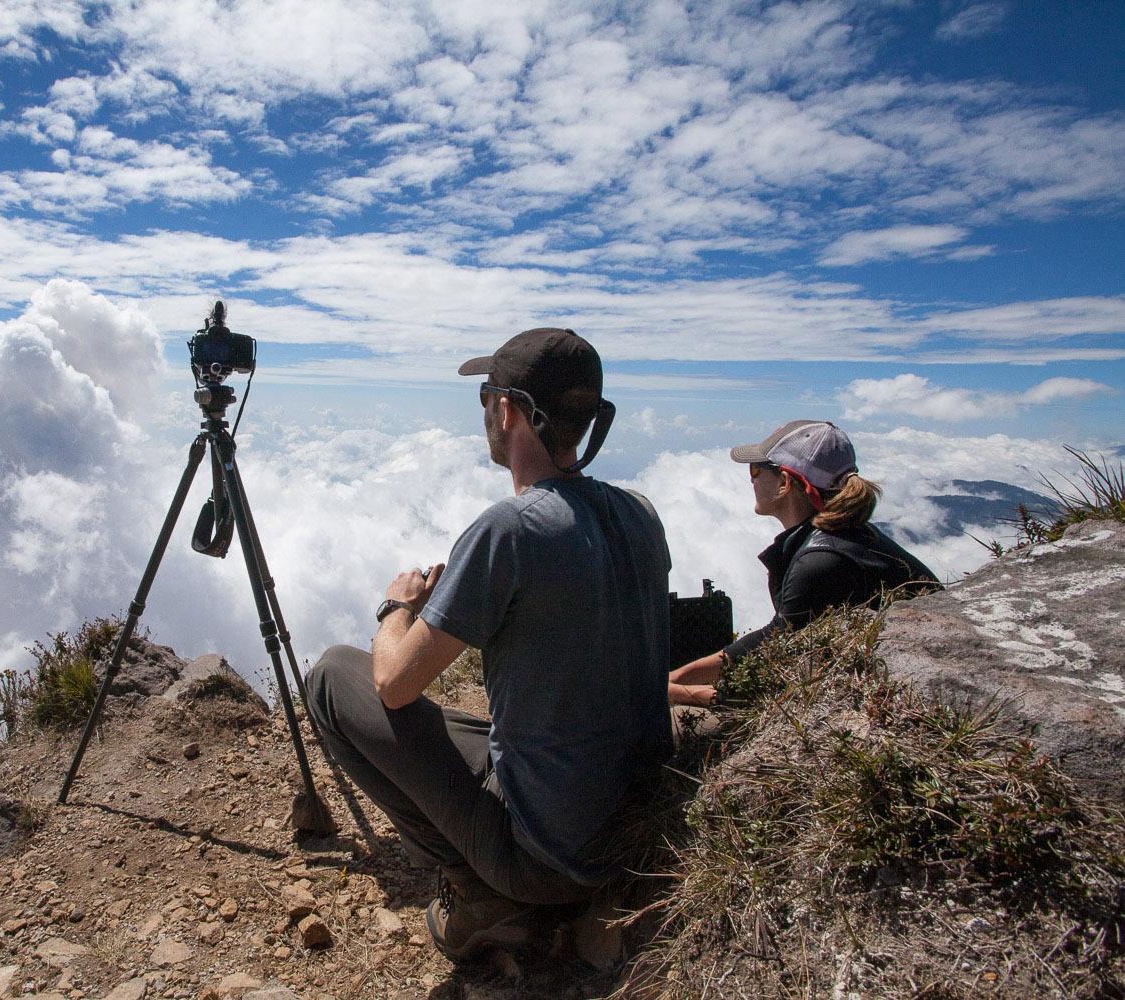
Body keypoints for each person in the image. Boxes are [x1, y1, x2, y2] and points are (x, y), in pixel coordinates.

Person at [305, 328, 672, 961]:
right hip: (634, 833)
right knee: (468, 724)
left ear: (508, 409)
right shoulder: (639, 513)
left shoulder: (511, 530)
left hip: (549, 857)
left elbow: (393, 683)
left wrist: (399, 606)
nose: (483, 413)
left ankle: (481, 896)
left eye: (485, 397)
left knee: (336, 676)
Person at [668, 420, 940, 707]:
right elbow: (778, 634)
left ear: (785, 483)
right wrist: (680, 676)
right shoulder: (845, 536)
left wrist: (671, 693)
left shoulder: (822, 564)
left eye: (756, 469)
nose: (751, 479)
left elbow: (776, 699)